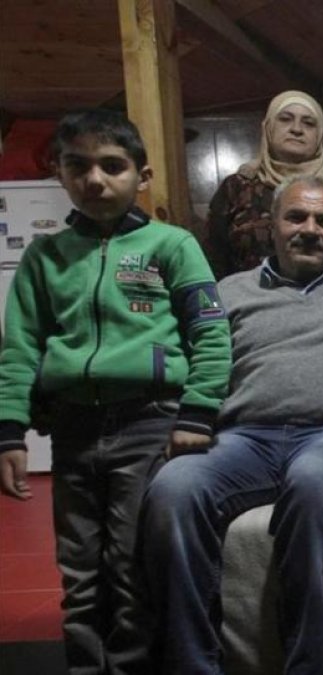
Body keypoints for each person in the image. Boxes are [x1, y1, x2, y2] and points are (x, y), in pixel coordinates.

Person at [0, 109, 232, 674]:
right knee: (79, 572)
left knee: (131, 568)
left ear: (142, 176)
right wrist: (10, 430)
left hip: (149, 424)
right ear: (60, 174)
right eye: (78, 167)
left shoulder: (172, 246)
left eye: (112, 166)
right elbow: (19, 346)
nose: (95, 180)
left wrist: (197, 414)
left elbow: (210, 333)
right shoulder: (45, 257)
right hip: (74, 431)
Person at [141, 175, 323, 674]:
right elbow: (197, 360)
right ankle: (191, 663)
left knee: (314, 482)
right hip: (242, 438)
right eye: (296, 217)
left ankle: (312, 664)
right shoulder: (228, 291)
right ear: (272, 225)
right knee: (173, 488)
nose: (310, 229)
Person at [205, 90, 323, 278]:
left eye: (309, 123)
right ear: (269, 127)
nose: (296, 129)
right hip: (245, 301)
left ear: (319, 134)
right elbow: (213, 259)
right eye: (285, 119)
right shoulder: (238, 187)